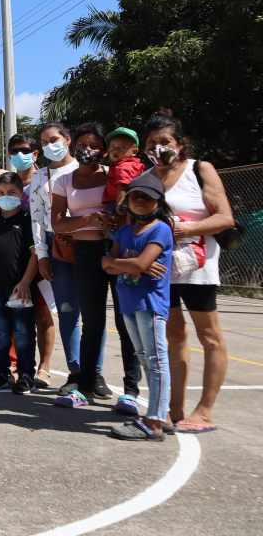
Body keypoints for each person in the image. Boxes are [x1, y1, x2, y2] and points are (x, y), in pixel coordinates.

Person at [140, 109, 233, 434]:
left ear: (180, 143)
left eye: (164, 141)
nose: (158, 147)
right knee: (174, 335)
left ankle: (205, 411)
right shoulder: (148, 176)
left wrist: (183, 231)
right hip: (163, 270)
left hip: (198, 268)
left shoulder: (199, 169)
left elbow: (225, 218)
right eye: (151, 143)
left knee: (209, 336)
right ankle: (174, 408)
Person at [52, 121, 141, 409]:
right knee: (92, 323)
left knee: (126, 321)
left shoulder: (116, 174)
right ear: (73, 146)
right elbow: (58, 222)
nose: (87, 150)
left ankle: (130, 391)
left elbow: (132, 208)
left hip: (118, 252)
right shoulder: (64, 180)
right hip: (86, 253)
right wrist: (91, 219)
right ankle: (85, 387)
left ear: (104, 151)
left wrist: (116, 219)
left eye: (93, 146)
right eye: (82, 146)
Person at [102, 174, 175, 441]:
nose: (140, 200)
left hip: (150, 303)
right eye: (135, 196)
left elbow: (135, 264)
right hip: (128, 301)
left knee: (156, 362)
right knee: (146, 359)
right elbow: (106, 262)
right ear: (127, 201)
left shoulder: (160, 229)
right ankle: (161, 414)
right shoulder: (123, 231)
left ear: (159, 201)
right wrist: (122, 263)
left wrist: (116, 262)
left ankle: (154, 422)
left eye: (147, 196)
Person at [32, 121, 84, 394]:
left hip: (88, 243)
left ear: (67, 139)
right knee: (67, 312)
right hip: (56, 246)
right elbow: (37, 220)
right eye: (44, 142)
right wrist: (42, 254)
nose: (50, 145)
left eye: (54, 139)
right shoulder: (39, 177)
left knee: (93, 313)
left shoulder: (86, 170)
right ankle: (76, 371)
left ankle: (94, 374)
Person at [0, 173, 39, 394]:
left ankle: (25, 375)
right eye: (1, 193)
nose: (6, 197)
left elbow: (35, 255)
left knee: (23, 332)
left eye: (12, 193)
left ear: (21, 195)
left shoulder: (27, 220)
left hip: (21, 291)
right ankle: (0, 371)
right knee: (0, 331)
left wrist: (25, 282)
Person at [8, 131, 56, 390]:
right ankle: (21, 365)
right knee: (19, 313)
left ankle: (44, 367)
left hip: (43, 254)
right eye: (14, 151)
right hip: (17, 257)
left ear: (36, 153)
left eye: (25, 150)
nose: (20, 155)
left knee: (42, 311)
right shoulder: (8, 183)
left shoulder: (45, 178)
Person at [103, 127, 145, 213]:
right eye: (112, 146)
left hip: (119, 204)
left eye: (122, 147)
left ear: (134, 152)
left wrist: (120, 203)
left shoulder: (123, 166)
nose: (115, 150)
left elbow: (123, 186)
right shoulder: (131, 164)